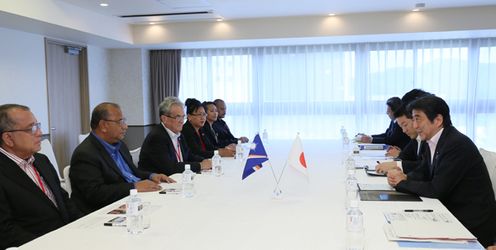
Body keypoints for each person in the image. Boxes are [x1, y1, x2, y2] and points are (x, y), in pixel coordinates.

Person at [387, 95, 496, 247]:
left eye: (418, 119)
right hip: (448, 211)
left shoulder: (456, 144)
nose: (415, 125)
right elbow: (423, 172)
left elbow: (436, 189)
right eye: (413, 119)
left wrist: (402, 182)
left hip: (469, 224)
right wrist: (404, 176)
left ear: (438, 120)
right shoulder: (431, 140)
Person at [0, 104, 81, 248]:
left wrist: (83, 226)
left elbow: (63, 200)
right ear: (8, 138)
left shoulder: (41, 160)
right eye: (31, 129)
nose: (39, 133)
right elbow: (6, 230)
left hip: (68, 237)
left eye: (38, 126)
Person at [70, 102, 174, 214]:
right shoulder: (85, 154)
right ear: (103, 125)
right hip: (106, 211)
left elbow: (133, 173)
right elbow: (95, 193)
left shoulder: (120, 145)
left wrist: (152, 175)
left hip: (133, 200)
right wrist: (134, 187)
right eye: (120, 122)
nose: (125, 126)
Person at [139, 97, 211, 176]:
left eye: (183, 116)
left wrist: (205, 161)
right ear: (164, 119)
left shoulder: (179, 134)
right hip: (159, 183)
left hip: (178, 178)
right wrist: (200, 165)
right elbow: (170, 168)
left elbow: (188, 156)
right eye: (178, 117)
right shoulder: (157, 137)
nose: (181, 121)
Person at [376, 106, 426, 174]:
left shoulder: (427, 139)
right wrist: (398, 155)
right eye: (401, 127)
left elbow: (424, 167)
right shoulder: (415, 139)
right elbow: (404, 156)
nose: (404, 130)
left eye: (405, 125)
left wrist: (396, 164)